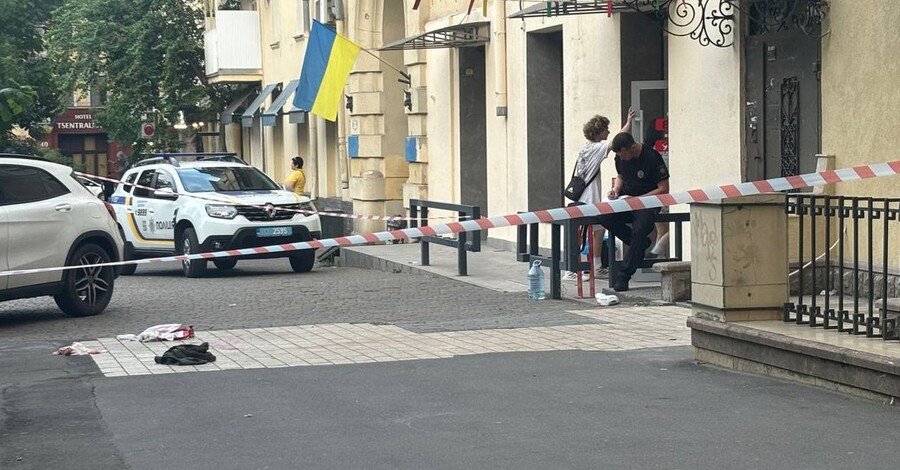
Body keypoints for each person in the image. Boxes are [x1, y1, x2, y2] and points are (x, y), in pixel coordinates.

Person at [563, 108, 634, 281]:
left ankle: (595, 266)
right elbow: (617, 141)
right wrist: (629, 122)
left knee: (598, 228)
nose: (608, 132)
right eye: (605, 129)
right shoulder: (596, 148)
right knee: (582, 231)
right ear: (598, 131)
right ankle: (572, 270)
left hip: (584, 195)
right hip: (587, 197)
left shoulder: (585, 148)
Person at [597, 131, 670, 292]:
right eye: (619, 156)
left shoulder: (652, 157)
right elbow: (621, 176)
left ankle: (624, 275)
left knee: (640, 229)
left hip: (647, 203)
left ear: (632, 148)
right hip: (626, 199)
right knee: (602, 216)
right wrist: (616, 190)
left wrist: (639, 200)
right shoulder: (620, 158)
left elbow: (664, 189)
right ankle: (640, 244)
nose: (622, 158)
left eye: (623, 155)